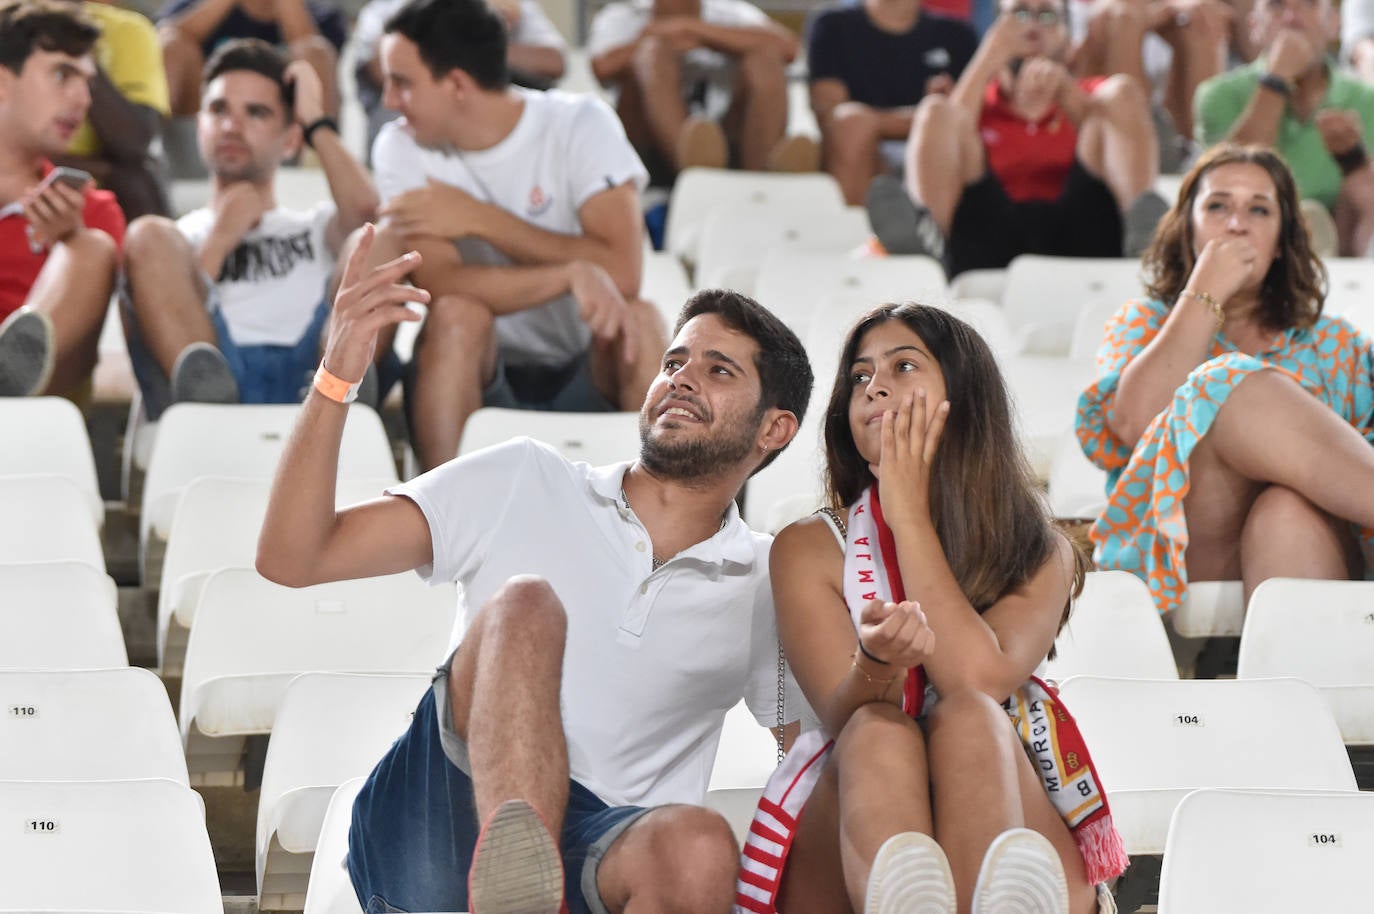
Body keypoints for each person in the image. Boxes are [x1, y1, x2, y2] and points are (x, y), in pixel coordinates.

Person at [255, 230, 816, 913]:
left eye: (719, 370)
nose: (682, 378)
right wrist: (337, 374)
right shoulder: (524, 474)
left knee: (699, 845)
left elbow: (808, 762)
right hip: (442, 825)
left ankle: (529, 891)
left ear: (775, 430)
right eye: (674, 362)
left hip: (603, 852)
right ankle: (519, 879)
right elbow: (292, 555)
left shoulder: (767, 577)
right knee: (526, 606)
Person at [735, 303, 1126, 914]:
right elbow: (842, 715)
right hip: (852, 813)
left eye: (904, 365)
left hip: (1003, 786)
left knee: (971, 716)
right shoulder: (806, 548)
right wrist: (876, 664)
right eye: (859, 377)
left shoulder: (1038, 548)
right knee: (874, 730)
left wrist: (908, 514)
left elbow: (975, 679)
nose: (876, 387)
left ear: (964, 398)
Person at [367, 0, 666, 472]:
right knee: (457, 316)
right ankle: (438, 526)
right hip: (483, 369)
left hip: (584, 365)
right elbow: (443, 283)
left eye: (401, 82)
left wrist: (481, 218)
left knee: (643, 319)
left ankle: (658, 531)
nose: (388, 102)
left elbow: (623, 273)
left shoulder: (581, 123)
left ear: (458, 85)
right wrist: (569, 273)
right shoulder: (400, 145)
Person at [1076, 144, 1374, 616]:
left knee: (1285, 510)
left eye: (1259, 209)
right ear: (1187, 228)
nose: (1237, 223)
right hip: (1189, 546)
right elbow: (1132, 425)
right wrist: (1206, 293)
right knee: (1231, 380)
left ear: (1281, 241)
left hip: (1313, 548)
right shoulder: (1142, 323)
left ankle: (1299, 686)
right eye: (1218, 206)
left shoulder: (1335, 343)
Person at [121, 38, 378, 418]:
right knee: (145, 234)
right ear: (199, 127)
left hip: (316, 370)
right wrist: (220, 239)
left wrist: (316, 121)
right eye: (218, 109)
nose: (231, 125)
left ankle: (332, 390)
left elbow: (368, 213)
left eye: (256, 113)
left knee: (375, 239)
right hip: (207, 384)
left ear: (291, 139)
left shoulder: (317, 225)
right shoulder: (174, 244)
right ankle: (214, 408)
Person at [867, 0, 1162, 276]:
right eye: (1019, 14)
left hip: (1083, 227)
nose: (1032, 27)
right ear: (995, 32)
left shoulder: (1095, 98)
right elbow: (949, 135)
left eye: (1047, 16)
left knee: (1122, 91)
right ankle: (928, 249)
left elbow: (1110, 136)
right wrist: (989, 58)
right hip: (987, 230)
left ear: (1067, 38)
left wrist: (1069, 96)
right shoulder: (974, 97)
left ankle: (1144, 239)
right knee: (935, 110)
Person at [0, 0, 123, 400]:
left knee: (91, 247)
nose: (83, 100)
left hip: (37, 417)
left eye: (86, 81)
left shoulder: (91, 209)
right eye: (62, 74)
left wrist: (67, 242)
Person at [1194, 0, 1374, 256]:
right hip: (1247, 243)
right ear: (1254, 26)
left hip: (1346, 243)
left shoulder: (1368, 100)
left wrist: (1352, 159)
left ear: (1335, 23)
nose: (1292, 17)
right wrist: (1276, 80)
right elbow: (1231, 181)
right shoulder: (1218, 95)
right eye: (1276, 6)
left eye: (1309, 4)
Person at [588, 0, 818, 181]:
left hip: (732, 134)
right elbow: (602, 67)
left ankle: (767, 173)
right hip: (648, 143)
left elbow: (789, 48)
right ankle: (693, 161)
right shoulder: (622, 16)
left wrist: (693, 28)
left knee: (765, 57)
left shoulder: (732, 12)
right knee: (652, 53)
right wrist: (657, 38)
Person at [806, 0, 979, 204]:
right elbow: (831, 114)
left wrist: (878, 121)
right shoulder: (832, 26)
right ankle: (856, 231)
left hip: (939, 153)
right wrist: (928, 115)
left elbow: (974, 116)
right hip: (866, 154)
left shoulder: (957, 34)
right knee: (851, 125)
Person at [352, 0, 567, 159]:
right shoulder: (384, 9)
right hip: (417, 134)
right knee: (407, 95)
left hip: (497, 128)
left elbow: (554, 62)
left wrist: (480, 39)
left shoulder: (506, 5)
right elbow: (381, 70)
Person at [56, 0, 171, 222]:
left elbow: (134, 143)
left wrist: (73, 39)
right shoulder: (9, 25)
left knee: (137, 181)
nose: (81, 100)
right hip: (16, 169)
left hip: (96, 178)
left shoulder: (129, 30)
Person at [1068, 0, 1231, 155]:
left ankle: (1198, 151)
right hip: (1095, 129)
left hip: (1175, 118)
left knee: (1201, 17)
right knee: (1122, 20)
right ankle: (1131, 154)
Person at [157, 0, 344, 117]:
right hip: (199, 124)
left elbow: (315, 54)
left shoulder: (322, 16)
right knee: (172, 41)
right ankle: (150, 149)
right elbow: (163, 39)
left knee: (314, 49)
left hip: (282, 135)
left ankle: (316, 163)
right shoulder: (190, 5)